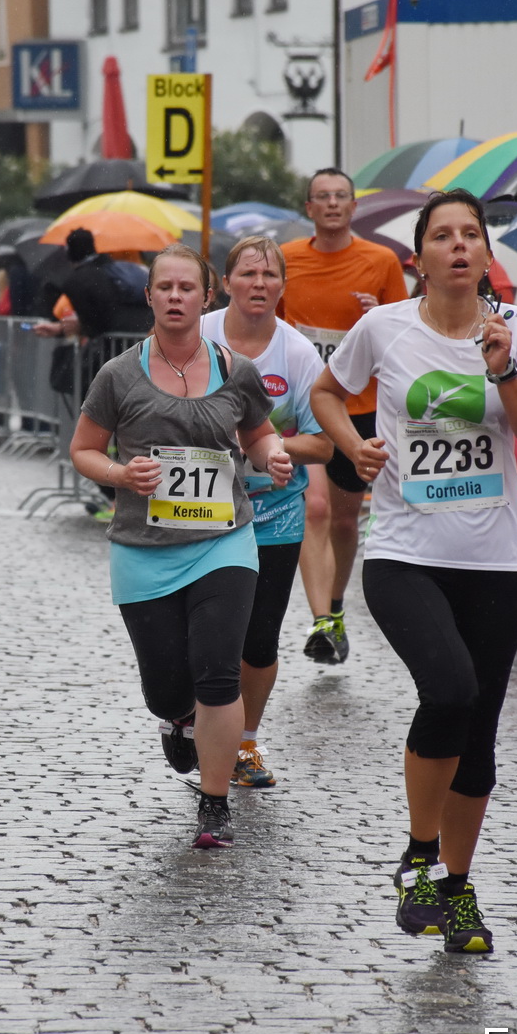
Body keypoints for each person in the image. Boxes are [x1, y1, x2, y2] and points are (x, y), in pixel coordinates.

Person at [311, 189, 517, 955]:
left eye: (471, 235)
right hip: (404, 552)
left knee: (476, 735)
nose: (458, 246)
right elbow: (325, 391)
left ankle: (455, 890)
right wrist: (352, 447)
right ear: (418, 257)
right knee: (448, 687)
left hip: (496, 559)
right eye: (443, 235)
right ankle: (419, 855)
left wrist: (505, 371)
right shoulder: (382, 326)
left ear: (488, 254)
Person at [70, 243, 293, 849]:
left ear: (206, 296)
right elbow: (83, 448)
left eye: (186, 288)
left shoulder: (234, 369)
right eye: (164, 288)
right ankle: (180, 719)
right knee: (167, 687)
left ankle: (214, 804)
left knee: (220, 673)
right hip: (144, 548)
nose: (175, 297)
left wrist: (273, 458)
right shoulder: (118, 374)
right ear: (149, 297)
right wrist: (120, 475)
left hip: (224, 540)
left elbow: (260, 432)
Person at [199, 236, 332, 789]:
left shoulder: (297, 352)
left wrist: (275, 448)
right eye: (248, 273)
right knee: (202, 630)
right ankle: (197, 720)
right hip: (199, 508)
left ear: (282, 286)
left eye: (270, 275)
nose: (260, 284)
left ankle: (245, 741)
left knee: (258, 639)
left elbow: (322, 443)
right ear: (226, 283)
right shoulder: (198, 335)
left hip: (273, 512)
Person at [277, 168, 407, 666]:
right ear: (308, 208)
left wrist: (378, 314)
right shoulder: (287, 259)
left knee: (346, 520)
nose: (332, 204)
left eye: (340, 197)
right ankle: (322, 622)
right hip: (303, 404)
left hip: (360, 409)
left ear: (354, 207)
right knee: (314, 509)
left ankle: (335, 606)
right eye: (322, 197)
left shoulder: (381, 261)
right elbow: (270, 322)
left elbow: (407, 334)